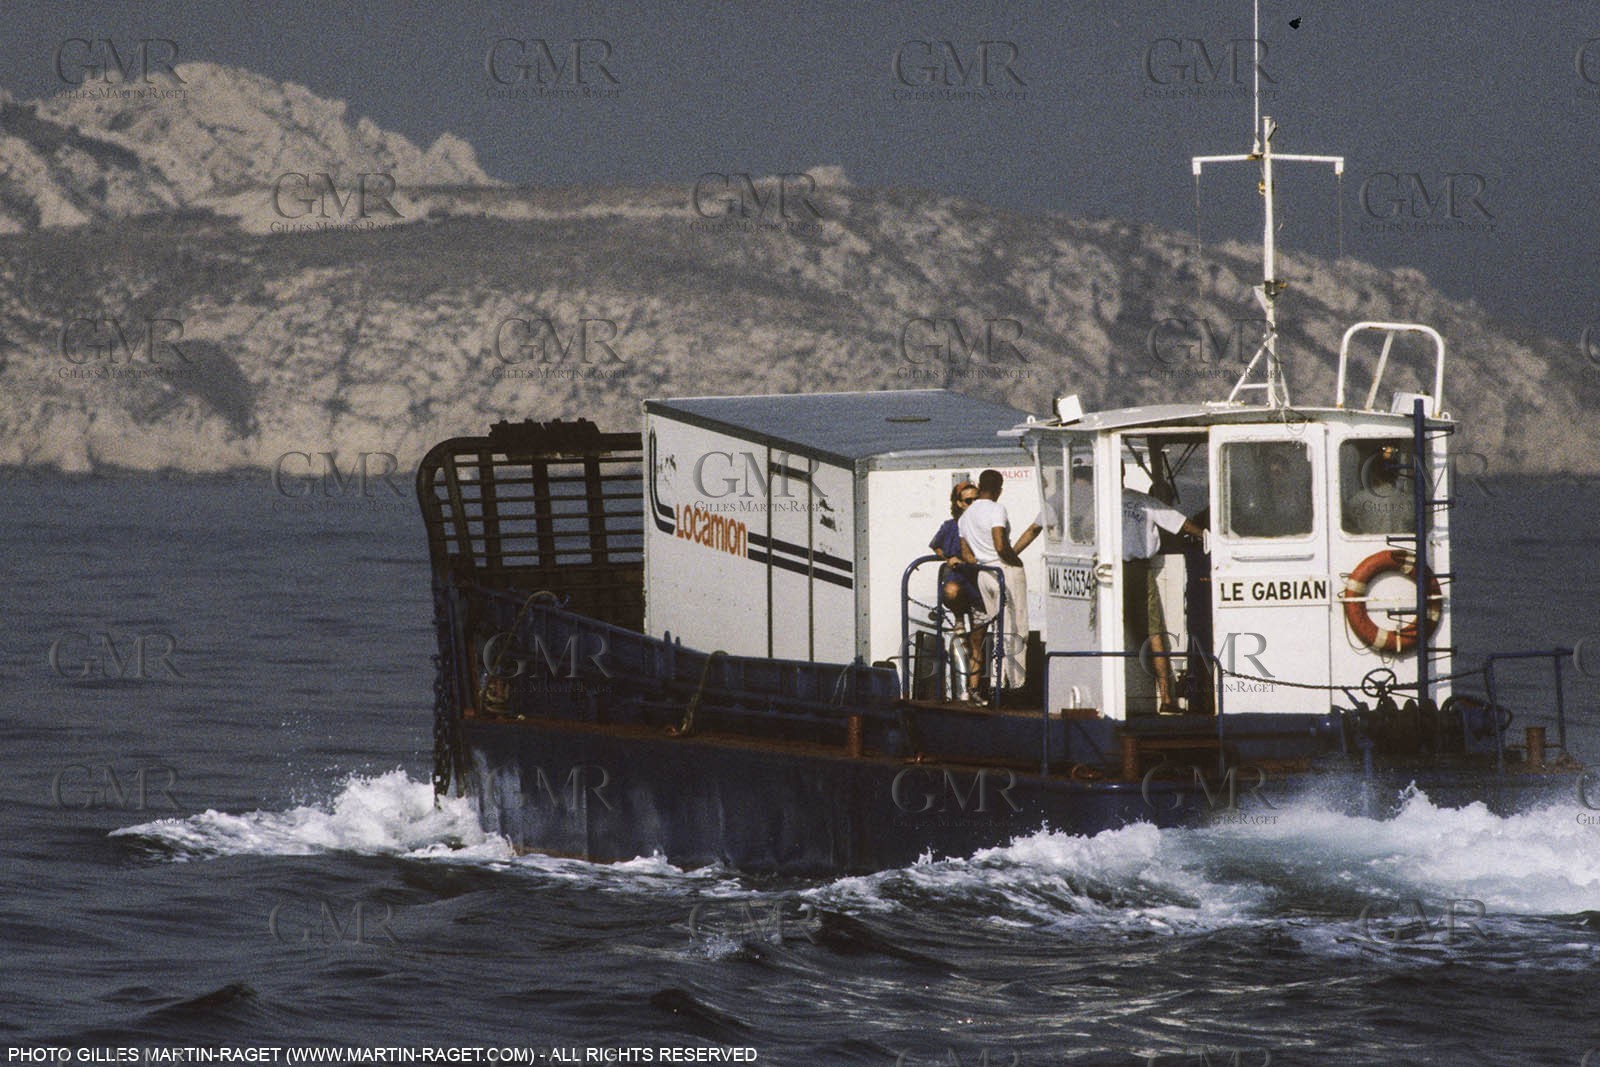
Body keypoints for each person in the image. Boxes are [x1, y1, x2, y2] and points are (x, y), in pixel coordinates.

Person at [1122, 476, 1206, 715]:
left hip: (1111, 571)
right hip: (1140, 570)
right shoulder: (1143, 501)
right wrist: (1210, 538)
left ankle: (1116, 700)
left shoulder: (1099, 503)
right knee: (1154, 633)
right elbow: (1179, 523)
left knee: (1110, 631)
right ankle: (1167, 699)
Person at [958, 469, 1041, 701]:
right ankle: (1016, 685)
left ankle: (997, 681)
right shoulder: (996, 509)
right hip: (1003, 569)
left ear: (980, 486)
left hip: (984, 573)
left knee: (998, 628)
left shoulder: (965, 516)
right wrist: (1013, 560)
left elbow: (966, 554)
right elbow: (1000, 543)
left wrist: (982, 562)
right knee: (1017, 627)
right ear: (999, 489)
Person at [928, 482, 984, 699]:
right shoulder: (951, 526)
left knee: (977, 642)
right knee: (951, 591)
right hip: (959, 578)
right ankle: (959, 618)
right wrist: (948, 558)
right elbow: (936, 545)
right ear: (959, 503)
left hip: (979, 581)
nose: (973, 504)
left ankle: (972, 690)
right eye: (968, 501)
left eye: (977, 500)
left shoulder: (984, 525)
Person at [1344, 444, 1416, 535]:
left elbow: (1348, 527)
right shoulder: (1411, 500)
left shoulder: (1359, 500)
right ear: (1397, 472)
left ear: (1373, 472)